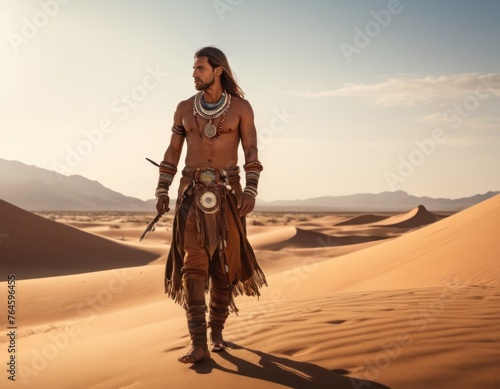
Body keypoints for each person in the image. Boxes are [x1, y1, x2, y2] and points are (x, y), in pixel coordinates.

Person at [154, 46, 267, 364]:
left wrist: (251, 192)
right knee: (193, 268)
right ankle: (198, 342)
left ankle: (216, 331)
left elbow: (252, 151)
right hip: (191, 196)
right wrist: (162, 188)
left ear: (218, 70)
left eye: (200, 69)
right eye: (193, 69)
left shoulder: (241, 108)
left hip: (228, 198)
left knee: (224, 270)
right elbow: (173, 151)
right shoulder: (183, 109)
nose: (194, 74)